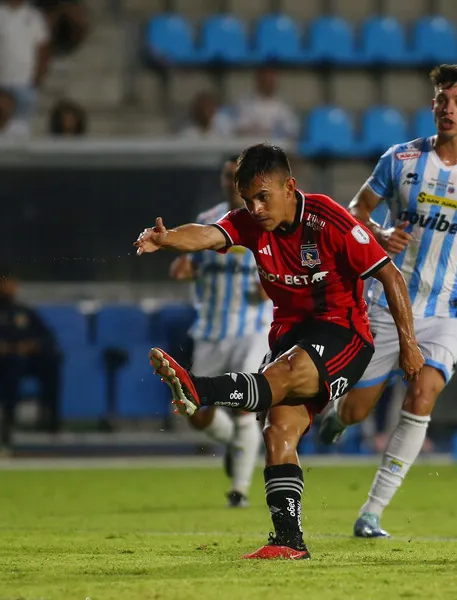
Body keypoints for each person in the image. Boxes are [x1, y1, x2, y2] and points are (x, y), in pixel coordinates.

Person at [134, 143, 424, 560]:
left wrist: (408, 345)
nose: (255, 208)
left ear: (289, 187)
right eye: (248, 199)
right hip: (289, 335)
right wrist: (167, 239)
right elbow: (208, 234)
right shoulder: (250, 223)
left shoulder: (327, 219)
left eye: (262, 197)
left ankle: (200, 389)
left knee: (283, 375)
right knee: (278, 432)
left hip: (343, 333)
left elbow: (391, 276)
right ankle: (289, 541)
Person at [316, 64, 457, 538]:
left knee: (423, 393)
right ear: (432, 105)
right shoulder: (401, 159)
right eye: (442, 100)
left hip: (449, 310)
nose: (449, 109)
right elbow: (355, 212)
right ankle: (338, 417)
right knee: (356, 411)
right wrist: (378, 234)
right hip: (388, 305)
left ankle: (372, 513)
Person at [168, 155, 272, 509]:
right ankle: (235, 445)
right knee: (194, 411)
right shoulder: (206, 221)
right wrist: (183, 268)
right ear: (223, 181)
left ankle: (239, 490)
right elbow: (189, 263)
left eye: (238, 176)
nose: (233, 183)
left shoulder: (266, 219)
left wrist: (271, 285)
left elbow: (284, 266)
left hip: (252, 329)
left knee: (245, 405)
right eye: (228, 176)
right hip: (211, 330)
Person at [0, 269, 61, 448]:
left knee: (51, 361)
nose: (8, 287)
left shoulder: (24, 312)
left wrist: (31, 346)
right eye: (3, 283)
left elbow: (47, 337)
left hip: (25, 360)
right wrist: (0, 349)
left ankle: (51, 420)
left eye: (11, 283)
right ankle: (9, 421)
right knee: (14, 363)